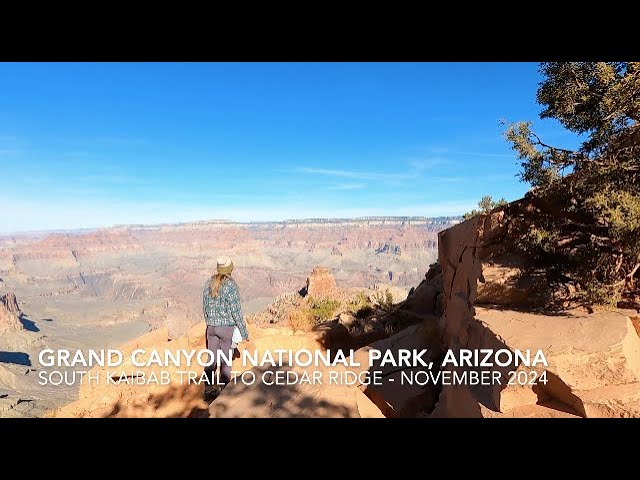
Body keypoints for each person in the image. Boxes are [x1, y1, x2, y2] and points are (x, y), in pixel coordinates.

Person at [202, 256, 249, 401]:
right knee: (226, 361)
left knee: (211, 360)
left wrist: (210, 322)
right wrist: (243, 331)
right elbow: (236, 311)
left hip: (211, 328)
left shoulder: (209, 282)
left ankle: (208, 389)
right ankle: (224, 391)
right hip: (226, 329)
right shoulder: (231, 286)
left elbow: (205, 307)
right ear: (230, 269)